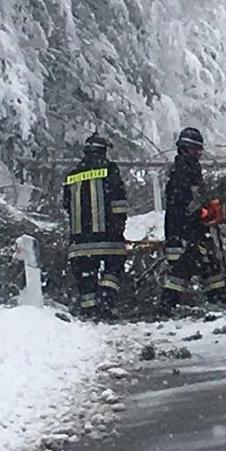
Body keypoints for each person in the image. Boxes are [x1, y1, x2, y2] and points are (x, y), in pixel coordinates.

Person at [158, 127, 226, 314]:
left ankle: (218, 301)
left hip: (192, 229)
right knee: (182, 270)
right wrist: (204, 212)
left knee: (209, 265)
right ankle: (167, 306)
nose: (200, 153)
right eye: (197, 149)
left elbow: (196, 199)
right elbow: (187, 202)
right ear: (186, 148)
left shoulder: (189, 168)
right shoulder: (183, 170)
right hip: (183, 230)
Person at [62, 133, 129, 320]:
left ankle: (90, 310)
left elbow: (66, 204)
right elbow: (119, 201)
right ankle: (105, 304)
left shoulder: (72, 175)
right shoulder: (109, 169)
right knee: (113, 270)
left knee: (86, 276)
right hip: (108, 237)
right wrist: (119, 224)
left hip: (79, 240)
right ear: (103, 151)